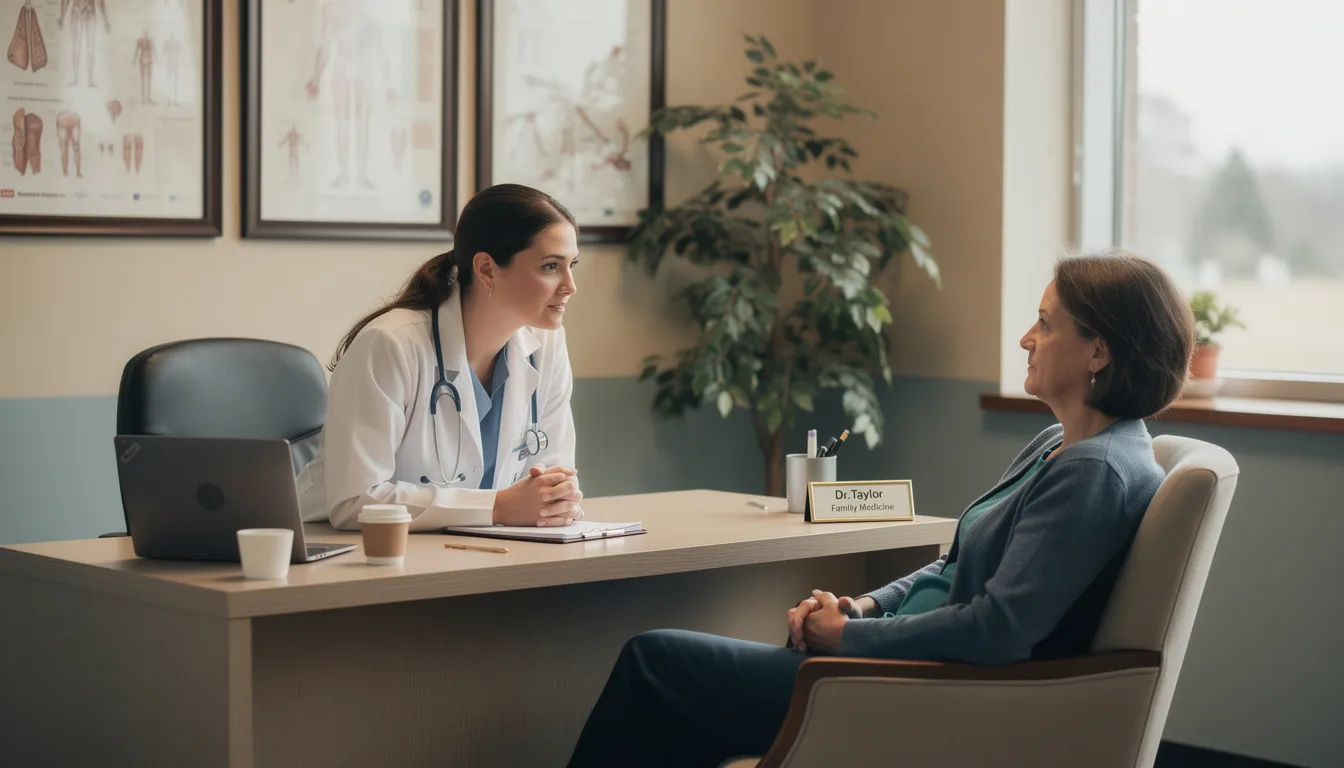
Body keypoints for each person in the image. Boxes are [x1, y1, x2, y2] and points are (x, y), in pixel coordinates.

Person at [566, 250, 1196, 767]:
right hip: (897, 663)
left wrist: (848, 637)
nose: (1025, 338)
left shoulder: (1095, 471)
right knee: (679, 722)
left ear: (1098, 352)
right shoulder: (1059, 444)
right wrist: (862, 606)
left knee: (654, 659)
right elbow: (951, 568)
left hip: (925, 694)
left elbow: (998, 629)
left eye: (1045, 324)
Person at [297, 184, 585, 532]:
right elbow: (355, 501)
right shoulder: (390, 344)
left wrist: (556, 501)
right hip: (338, 546)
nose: (570, 285)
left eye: (572, 265)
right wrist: (498, 507)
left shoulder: (546, 344)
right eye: (551, 266)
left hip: (470, 548)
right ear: (487, 269)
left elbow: (553, 481)